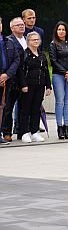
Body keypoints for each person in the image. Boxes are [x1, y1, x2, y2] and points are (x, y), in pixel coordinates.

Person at [18, 32, 51, 143]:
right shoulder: (24, 54)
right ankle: (24, 132)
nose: (36, 41)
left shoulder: (42, 55)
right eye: (33, 40)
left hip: (40, 85)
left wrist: (48, 86)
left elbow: (46, 71)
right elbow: (21, 71)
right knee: (25, 109)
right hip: (28, 85)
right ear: (28, 41)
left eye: (37, 39)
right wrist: (23, 85)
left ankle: (34, 131)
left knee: (36, 109)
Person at [49, 22, 68, 140]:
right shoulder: (53, 44)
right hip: (59, 75)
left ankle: (66, 126)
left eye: (63, 29)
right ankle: (59, 127)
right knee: (60, 101)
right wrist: (65, 72)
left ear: (67, 31)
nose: (61, 31)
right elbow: (53, 60)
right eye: (59, 29)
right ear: (56, 31)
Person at [2, 18, 26, 141]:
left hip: (26, 79)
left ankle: (22, 131)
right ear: (12, 28)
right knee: (8, 107)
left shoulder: (29, 39)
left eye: (22, 24)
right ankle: (7, 131)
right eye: (18, 25)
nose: (21, 27)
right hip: (13, 78)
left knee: (24, 107)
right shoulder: (9, 41)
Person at [0, 17, 21, 145]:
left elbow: (16, 60)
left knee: (2, 107)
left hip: (5, 79)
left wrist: (6, 75)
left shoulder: (8, 41)